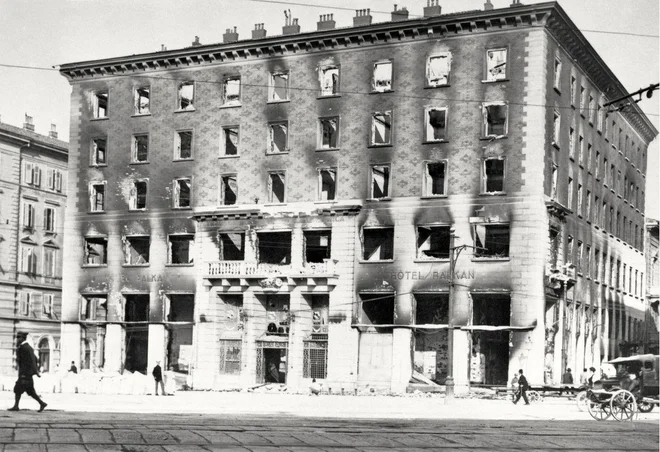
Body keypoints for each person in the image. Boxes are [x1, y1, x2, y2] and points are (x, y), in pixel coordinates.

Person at [8, 332, 47, 412]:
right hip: (25, 373)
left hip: (25, 374)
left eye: (19, 338)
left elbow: (33, 360)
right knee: (30, 391)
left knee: (18, 389)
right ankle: (41, 403)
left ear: (22, 338)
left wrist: (36, 371)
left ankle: (16, 406)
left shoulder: (26, 347)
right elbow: (35, 358)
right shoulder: (24, 347)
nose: (17, 339)